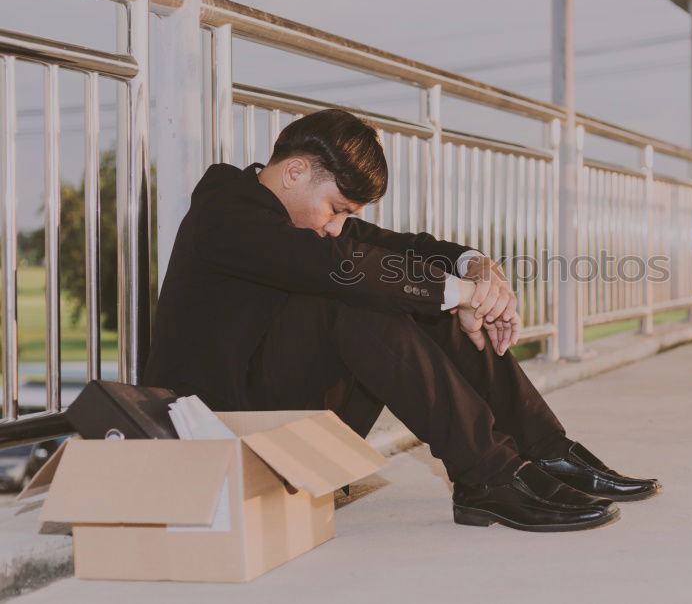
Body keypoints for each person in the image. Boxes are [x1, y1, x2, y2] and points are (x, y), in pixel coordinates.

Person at [142, 108, 660, 532]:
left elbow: (408, 249)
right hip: (220, 428)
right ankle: (489, 475)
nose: (337, 227)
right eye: (336, 208)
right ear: (296, 171)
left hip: (286, 414)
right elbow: (338, 270)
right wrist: (454, 294)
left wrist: (477, 271)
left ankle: (543, 453)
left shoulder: (303, 218)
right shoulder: (225, 210)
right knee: (359, 296)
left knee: (417, 291)